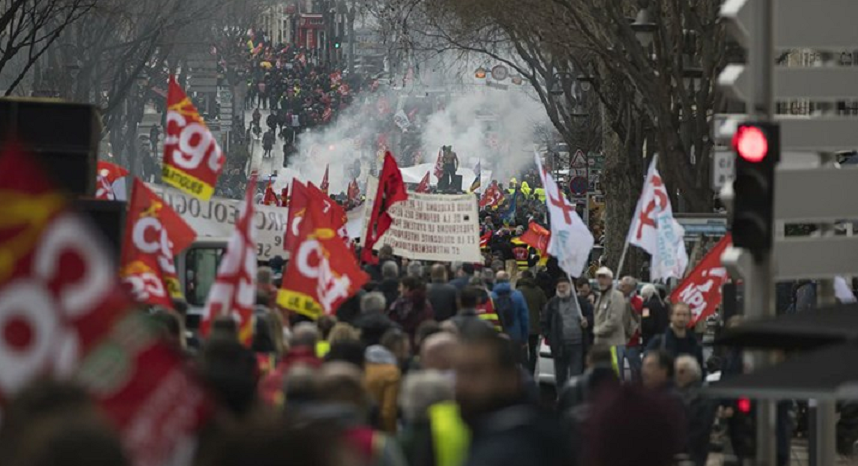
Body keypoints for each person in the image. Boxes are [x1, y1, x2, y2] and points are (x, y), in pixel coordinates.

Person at [453, 328, 570, 466]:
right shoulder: (539, 429)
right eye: (459, 373)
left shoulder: (509, 451)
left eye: (476, 372)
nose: (463, 384)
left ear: (510, 378)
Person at [541, 276, 589, 386]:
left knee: (576, 376)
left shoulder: (580, 302)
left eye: (564, 286)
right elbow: (544, 322)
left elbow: (591, 316)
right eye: (559, 287)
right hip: (559, 346)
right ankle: (562, 399)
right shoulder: (552, 304)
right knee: (560, 377)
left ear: (570, 287)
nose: (562, 289)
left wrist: (587, 321)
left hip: (577, 345)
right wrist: (550, 337)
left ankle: (575, 400)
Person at [675, 356, 718, 466]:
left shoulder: (701, 396)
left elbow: (702, 427)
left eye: (681, 371)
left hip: (693, 452)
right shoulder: (676, 394)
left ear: (692, 373)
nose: (677, 375)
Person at [365, 329, 408, 433]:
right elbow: (388, 412)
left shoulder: (365, 365)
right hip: (378, 430)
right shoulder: (392, 373)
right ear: (399, 348)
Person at [646, 302, 704, 370]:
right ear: (671, 316)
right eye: (678, 314)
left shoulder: (695, 343)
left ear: (689, 318)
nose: (681, 318)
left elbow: (700, 368)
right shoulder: (659, 342)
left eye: (685, 315)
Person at [592, 267, 627, 368]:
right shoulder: (600, 297)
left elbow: (615, 320)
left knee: (614, 375)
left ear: (610, 279)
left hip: (613, 344)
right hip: (600, 344)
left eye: (604, 277)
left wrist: (598, 330)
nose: (601, 281)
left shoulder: (617, 296)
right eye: (599, 277)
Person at [387, 276, 434, 346]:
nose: (398, 289)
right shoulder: (426, 303)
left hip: (404, 342)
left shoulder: (400, 304)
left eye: (400, 286)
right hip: (424, 341)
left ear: (407, 288)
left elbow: (392, 321)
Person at [516, 270, 548, 372]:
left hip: (521, 325)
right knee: (533, 349)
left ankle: (524, 370)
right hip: (535, 325)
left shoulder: (518, 291)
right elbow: (545, 307)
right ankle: (532, 370)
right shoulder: (538, 290)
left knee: (522, 349)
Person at [490, 271, 529, 351]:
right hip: (515, 335)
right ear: (508, 280)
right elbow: (524, 318)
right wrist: (524, 339)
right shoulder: (518, 295)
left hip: (497, 337)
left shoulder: (491, 296)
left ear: (495, 280)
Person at [617, 276, 643, 383]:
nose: (620, 288)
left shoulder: (640, 302)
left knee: (635, 368)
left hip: (632, 341)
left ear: (631, 288)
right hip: (617, 340)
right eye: (620, 285)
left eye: (623, 286)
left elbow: (644, 319)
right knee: (618, 369)